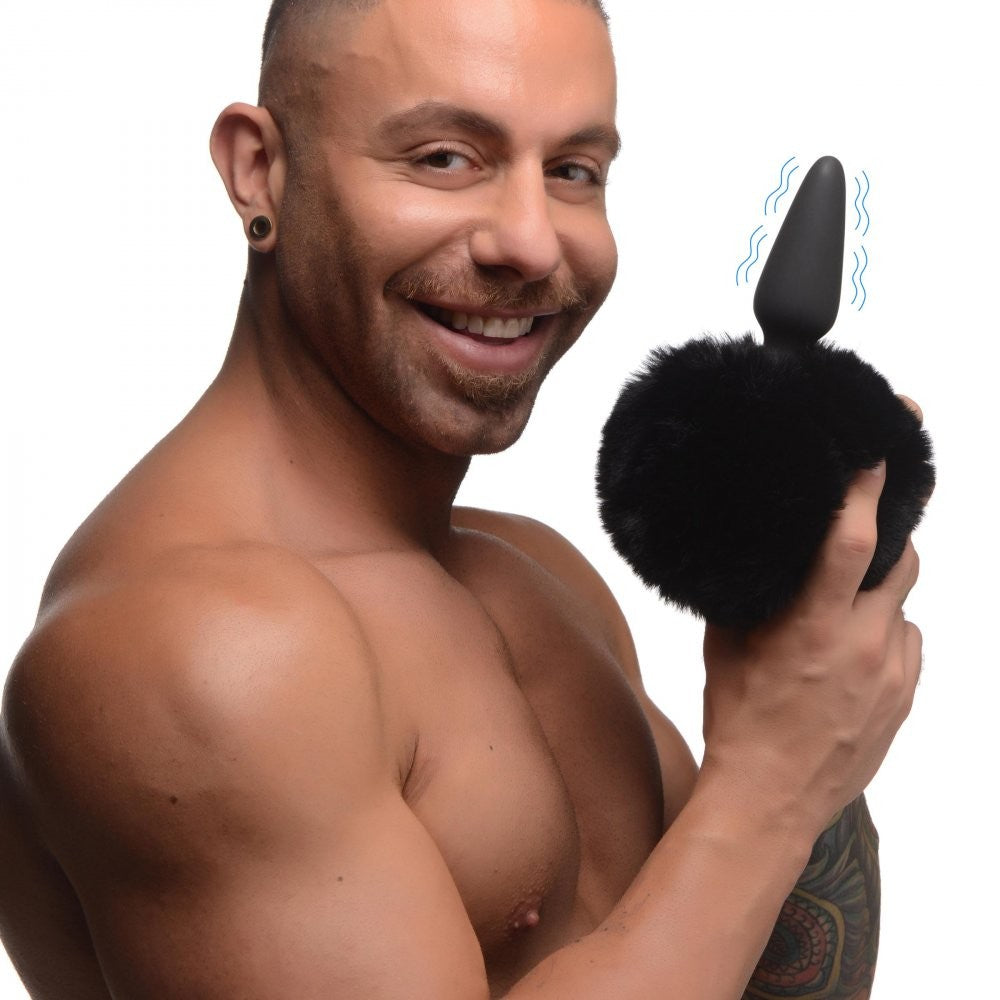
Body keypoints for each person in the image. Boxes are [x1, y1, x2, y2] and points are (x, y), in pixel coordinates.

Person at [0, 0, 922, 997]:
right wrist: (768, 788)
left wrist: (795, 628)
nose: (531, 241)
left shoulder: (537, 576)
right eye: (444, 158)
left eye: (572, 170)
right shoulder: (197, 651)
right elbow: (762, 812)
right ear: (259, 170)